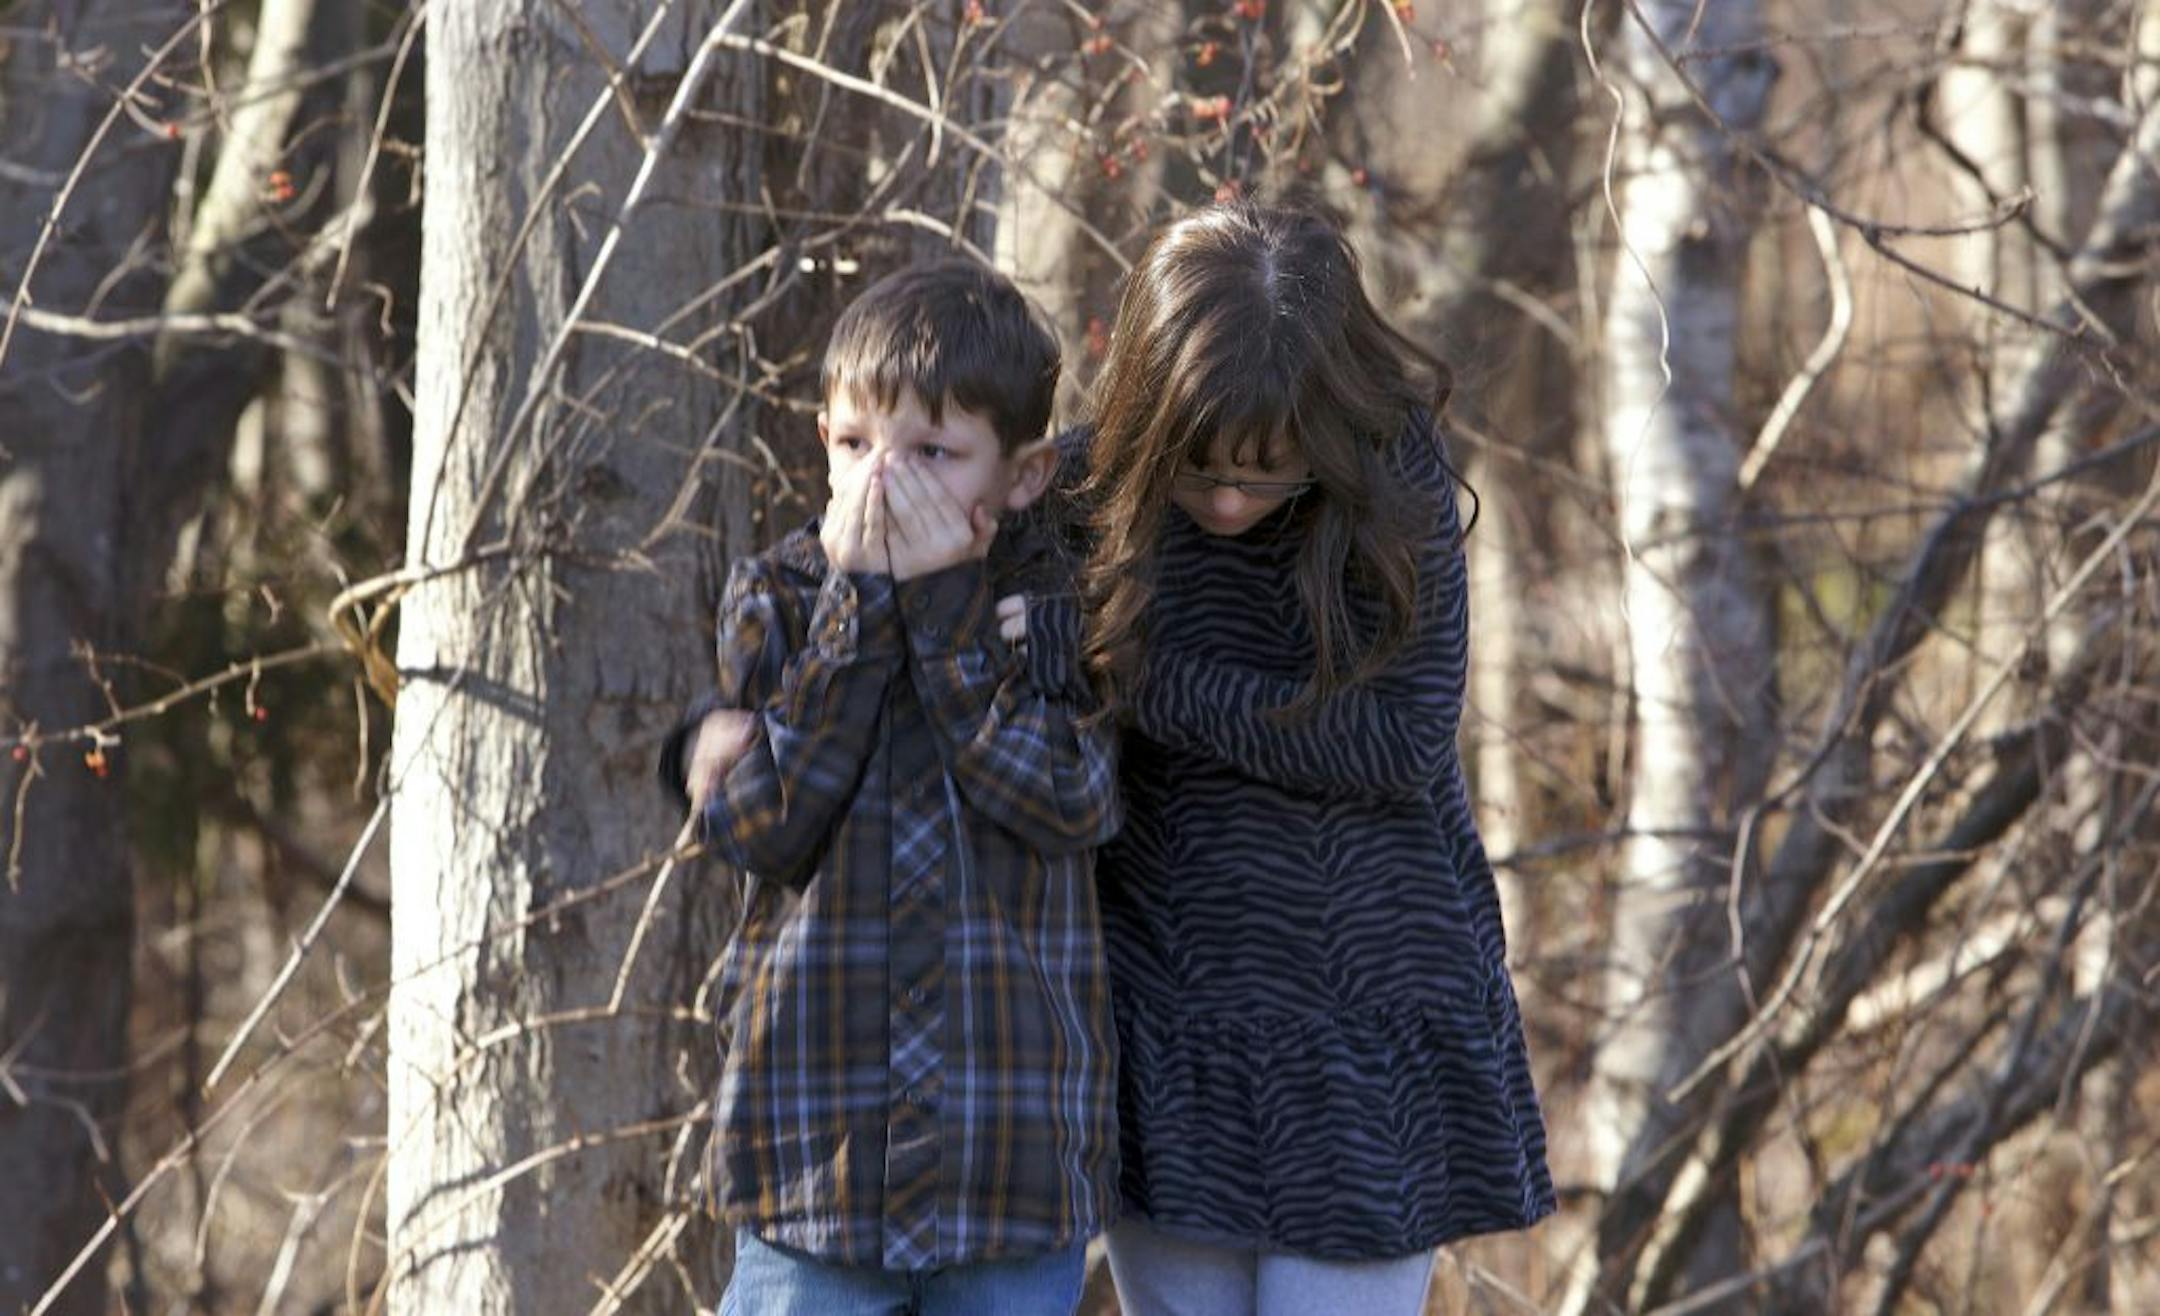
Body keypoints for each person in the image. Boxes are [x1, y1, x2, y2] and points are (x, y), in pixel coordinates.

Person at [1075, 199, 1556, 1315]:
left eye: (1266, 470)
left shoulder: (1394, 482)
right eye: (1200, 473)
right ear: (1152, 422)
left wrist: (1145, 682)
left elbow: (1397, 735)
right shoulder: (1085, 497)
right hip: (1171, 1021)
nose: (1232, 499)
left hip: (1368, 1020)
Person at [657, 258, 1121, 1316]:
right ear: (824, 442)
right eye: (859, 445)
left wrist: (954, 621)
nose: (884, 480)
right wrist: (860, 615)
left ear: (1024, 474)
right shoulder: (778, 598)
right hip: (816, 1165)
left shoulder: (1053, 616)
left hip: (1007, 1167)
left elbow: (1073, 799)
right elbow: (760, 823)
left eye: (933, 453)